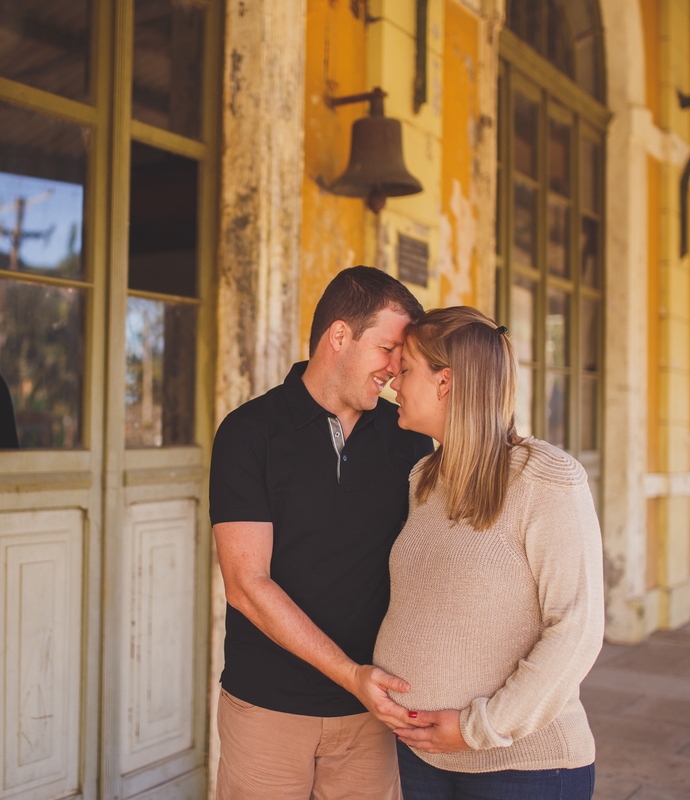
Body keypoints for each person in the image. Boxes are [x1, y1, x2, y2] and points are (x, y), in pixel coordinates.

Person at [210, 266, 434, 800]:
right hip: (267, 708)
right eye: (387, 350)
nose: (395, 371)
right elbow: (245, 585)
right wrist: (350, 673)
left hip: (373, 716)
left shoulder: (409, 441)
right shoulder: (248, 432)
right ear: (340, 336)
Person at [375, 306, 604, 799]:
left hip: (522, 769)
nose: (394, 379)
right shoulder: (423, 479)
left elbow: (577, 630)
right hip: (419, 759)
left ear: (445, 382)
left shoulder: (545, 479)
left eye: (407, 368)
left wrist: (476, 729)